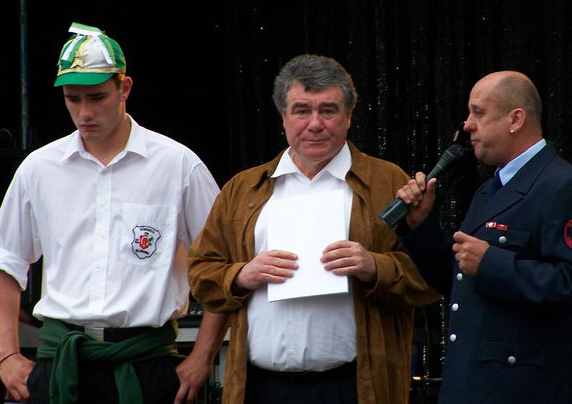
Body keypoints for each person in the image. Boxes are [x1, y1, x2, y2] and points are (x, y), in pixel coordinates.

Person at [0, 23, 228, 404]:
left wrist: (202, 357)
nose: (84, 112)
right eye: (73, 98)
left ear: (124, 87)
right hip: (62, 359)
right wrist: (8, 355)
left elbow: (221, 266)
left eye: (96, 97)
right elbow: (5, 264)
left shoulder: (178, 164)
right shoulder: (39, 168)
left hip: (145, 361)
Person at [188, 54, 438, 404]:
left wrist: (374, 266)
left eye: (329, 110)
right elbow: (200, 272)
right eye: (302, 110)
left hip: (353, 387)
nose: (315, 124)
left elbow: (432, 280)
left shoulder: (389, 183)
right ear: (283, 118)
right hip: (260, 387)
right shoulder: (244, 188)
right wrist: (242, 274)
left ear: (349, 117)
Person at [395, 70, 572, 404]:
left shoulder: (563, 186)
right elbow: (460, 279)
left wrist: (492, 263)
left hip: (523, 390)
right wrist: (421, 226)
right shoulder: (491, 189)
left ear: (515, 119)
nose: (466, 124)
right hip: (472, 385)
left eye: (478, 112)